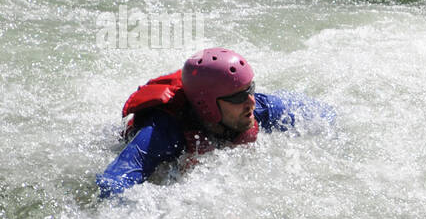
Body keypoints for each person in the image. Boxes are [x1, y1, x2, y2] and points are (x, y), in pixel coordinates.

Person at [97, 47, 331, 197]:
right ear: (206, 104)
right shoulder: (162, 133)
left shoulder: (257, 108)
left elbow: (324, 115)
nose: (250, 102)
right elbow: (111, 185)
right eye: (238, 97)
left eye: (250, 89)